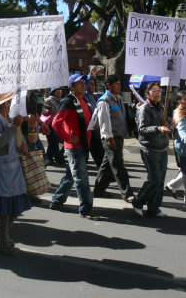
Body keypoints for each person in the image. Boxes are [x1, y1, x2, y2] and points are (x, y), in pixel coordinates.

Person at [0, 93, 31, 255]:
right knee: (5, 209)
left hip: (12, 169)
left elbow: (16, 140)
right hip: (0, 170)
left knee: (15, 207)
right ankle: (3, 243)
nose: (10, 104)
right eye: (9, 102)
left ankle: (0, 234)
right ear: (3, 104)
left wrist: (23, 146)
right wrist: (13, 126)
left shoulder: (7, 118)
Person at [49, 74, 98, 219]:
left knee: (71, 176)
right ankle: (86, 209)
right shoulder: (68, 102)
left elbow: (86, 121)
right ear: (72, 86)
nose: (84, 85)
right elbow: (55, 123)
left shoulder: (85, 100)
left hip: (83, 145)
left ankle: (57, 200)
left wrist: (93, 126)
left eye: (84, 82)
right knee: (81, 179)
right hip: (75, 147)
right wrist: (68, 137)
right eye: (79, 83)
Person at [132, 82, 171, 217]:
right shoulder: (144, 109)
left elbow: (168, 122)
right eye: (154, 91)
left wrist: (167, 124)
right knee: (154, 179)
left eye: (159, 90)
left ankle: (154, 207)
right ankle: (138, 201)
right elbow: (142, 129)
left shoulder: (161, 108)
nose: (158, 93)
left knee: (160, 181)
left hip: (162, 147)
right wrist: (158, 128)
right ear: (148, 94)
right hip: (150, 148)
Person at [93, 75, 134, 202]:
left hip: (119, 137)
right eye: (116, 84)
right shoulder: (104, 101)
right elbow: (104, 122)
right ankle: (127, 194)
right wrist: (110, 139)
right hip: (111, 138)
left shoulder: (119, 98)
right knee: (118, 166)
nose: (119, 86)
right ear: (109, 86)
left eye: (119, 84)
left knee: (107, 166)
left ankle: (98, 190)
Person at [84, 76, 105, 168]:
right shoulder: (85, 97)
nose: (93, 86)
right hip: (90, 128)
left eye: (94, 84)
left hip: (98, 128)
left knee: (99, 151)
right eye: (91, 84)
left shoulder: (96, 96)